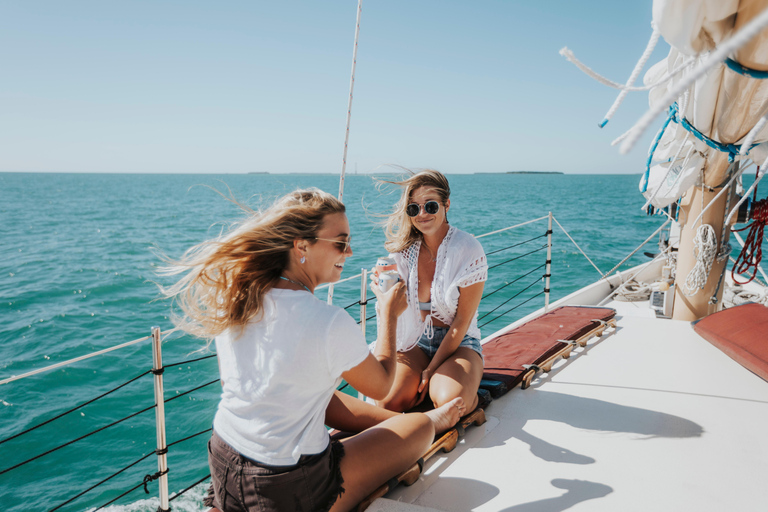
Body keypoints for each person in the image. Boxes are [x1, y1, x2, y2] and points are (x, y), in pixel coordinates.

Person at [161, 188, 465, 512]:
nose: (349, 253)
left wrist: (387, 422)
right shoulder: (327, 321)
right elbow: (382, 384)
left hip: (224, 462)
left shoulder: (238, 298)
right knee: (418, 429)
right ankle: (427, 421)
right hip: (286, 486)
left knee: (378, 420)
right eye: (341, 242)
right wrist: (388, 315)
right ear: (301, 246)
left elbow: (290, 395)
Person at [375, 170, 487, 413]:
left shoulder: (468, 250)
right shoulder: (402, 255)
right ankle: (436, 384)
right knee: (387, 401)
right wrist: (383, 293)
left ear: (447, 204)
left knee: (450, 401)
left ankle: (473, 396)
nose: (422, 214)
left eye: (430, 206)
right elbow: (396, 309)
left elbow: (462, 321)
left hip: (459, 343)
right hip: (415, 341)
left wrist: (430, 369)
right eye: (414, 208)